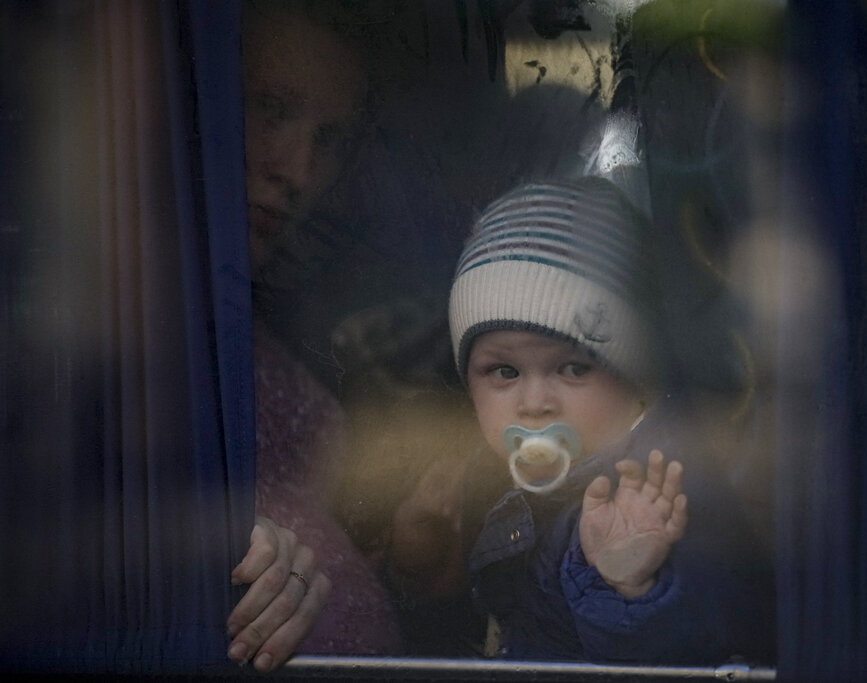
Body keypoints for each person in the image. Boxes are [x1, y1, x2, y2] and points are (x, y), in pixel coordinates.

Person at [444, 176, 776, 664]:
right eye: (504, 371)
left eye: (575, 368)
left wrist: (630, 587)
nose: (535, 402)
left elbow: (706, 643)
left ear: (638, 379)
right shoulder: (487, 479)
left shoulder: (663, 492)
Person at [225, 0, 402, 671]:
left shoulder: (271, 336)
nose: (297, 171)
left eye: (328, 141)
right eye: (270, 108)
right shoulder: (81, 335)